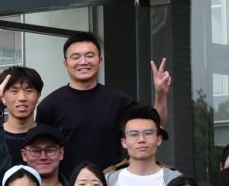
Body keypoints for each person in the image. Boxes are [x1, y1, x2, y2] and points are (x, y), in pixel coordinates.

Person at [32, 32, 172, 175]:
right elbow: (40, 153)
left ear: (100, 61)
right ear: (65, 64)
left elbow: (155, 126)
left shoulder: (120, 101)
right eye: (76, 57)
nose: (83, 62)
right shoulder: (50, 106)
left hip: (111, 182)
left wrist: (160, 94)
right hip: (68, 185)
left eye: (89, 55)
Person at [105, 107, 181, 186]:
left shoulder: (175, 180)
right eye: (134, 134)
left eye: (148, 133)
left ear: (159, 139)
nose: (141, 140)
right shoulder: (108, 181)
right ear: (124, 142)